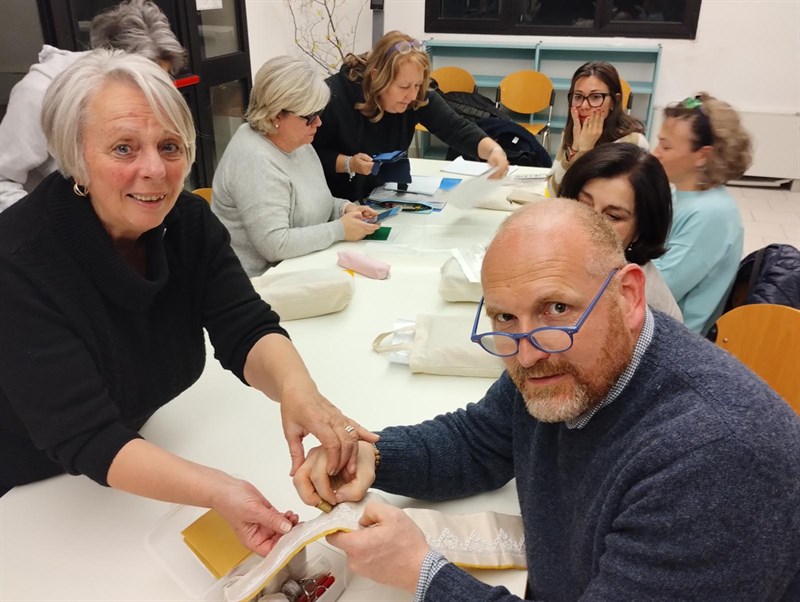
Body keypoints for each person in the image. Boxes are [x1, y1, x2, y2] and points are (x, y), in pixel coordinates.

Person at [294, 200, 800, 601]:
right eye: (504, 317)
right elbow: (479, 441)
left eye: (556, 308)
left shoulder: (718, 460)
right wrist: (375, 456)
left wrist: (421, 573)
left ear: (628, 296)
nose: (528, 354)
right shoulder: (568, 360)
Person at [0, 51, 379, 555]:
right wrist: (219, 491)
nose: (155, 169)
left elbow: (245, 326)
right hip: (30, 490)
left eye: (170, 146)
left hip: (130, 461)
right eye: (123, 148)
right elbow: (85, 435)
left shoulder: (186, 222)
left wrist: (299, 392)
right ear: (75, 155)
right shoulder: (19, 260)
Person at [0, 0, 186, 213]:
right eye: (146, 84)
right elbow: (3, 181)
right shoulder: (38, 91)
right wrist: (49, 227)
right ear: (110, 62)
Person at [212, 56, 379, 277]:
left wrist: (345, 209)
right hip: (258, 282)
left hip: (298, 268)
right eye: (310, 117)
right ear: (276, 115)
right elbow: (275, 244)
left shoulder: (298, 142)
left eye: (319, 114)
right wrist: (340, 229)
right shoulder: (253, 159)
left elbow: (313, 202)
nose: (318, 123)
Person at [312, 30, 510, 202]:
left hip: (377, 196)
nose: (413, 95)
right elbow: (307, 157)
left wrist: (493, 151)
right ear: (376, 77)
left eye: (417, 85)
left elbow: (456, 128)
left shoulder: (415, 96)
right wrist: (348, 163)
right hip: (332, 200)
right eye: (404, 87)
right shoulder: (333, 96)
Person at [652, 93, 752, 335]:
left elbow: (660, 292)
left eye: (666, 146)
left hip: (673, 337)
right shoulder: (680, 193)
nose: (656, 153)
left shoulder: (711, 213)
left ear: (702, 156)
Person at [559, 143, 681, 320]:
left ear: (640, 230)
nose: (590, 221)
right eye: (583, 204)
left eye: (613, 216)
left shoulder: (641, 303)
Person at [546, 61, 648, 197]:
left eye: (595, 97)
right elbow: (554, 193)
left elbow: (594, 200)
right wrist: (575, 149)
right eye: (578, 97)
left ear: (614, 101)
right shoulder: (574, 132)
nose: (584, 106)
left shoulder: (633, 142)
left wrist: (585, 151)